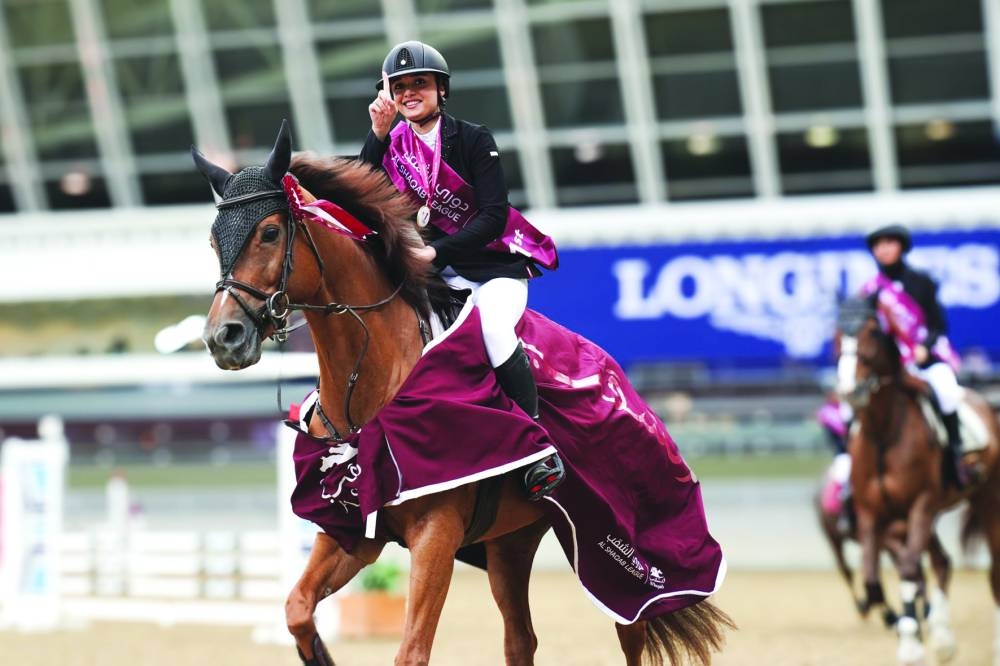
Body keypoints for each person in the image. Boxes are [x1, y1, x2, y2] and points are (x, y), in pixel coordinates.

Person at [359, 41, 564, 500]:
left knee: (492, 331)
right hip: (436, 276)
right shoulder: (393, 144)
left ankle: (537, 447)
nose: (410, 92)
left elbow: (494, 215)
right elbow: (363, 191)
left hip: (492, 270)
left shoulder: (473, 138)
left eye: (420, 84)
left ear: (440, 90)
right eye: (400, 86)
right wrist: (376, 133)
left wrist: (440, 252)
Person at [861, 224, 976, 486]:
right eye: (878, 245)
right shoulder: (870, 291)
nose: (884, 249)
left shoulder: (921, 282)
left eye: (889, 243)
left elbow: (938, 324)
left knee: (946, 392)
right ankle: (854, 467)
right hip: (892, 366)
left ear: (901, 247)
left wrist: (924, 346)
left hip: (926, 358)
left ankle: (957, 454)